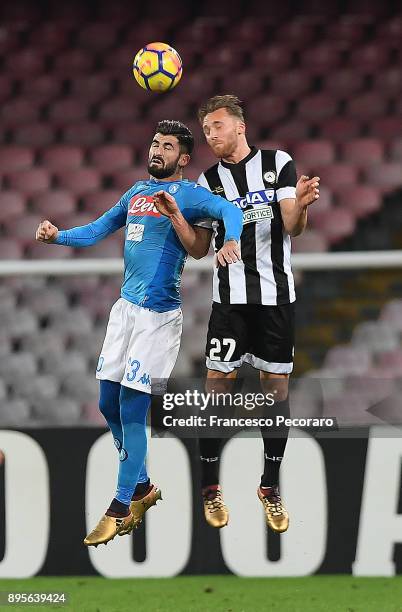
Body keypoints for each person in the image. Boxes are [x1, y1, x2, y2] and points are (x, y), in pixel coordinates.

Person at [35, 119, 243, 546]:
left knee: (132, 406)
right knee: (107, 402)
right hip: (125, 312)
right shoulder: (135, 193)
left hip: (157, 317)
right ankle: (144, 487)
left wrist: (231, 239)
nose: (157, 150)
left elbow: (229, 211)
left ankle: (119, 504)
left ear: (183, 159)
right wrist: (58, 237)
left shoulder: (187, 195)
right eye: (154, 143)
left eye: (167, 146)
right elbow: (96, 228)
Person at [193, 95, 320, 532]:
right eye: (206, 130)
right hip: (228, 301)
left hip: (275, 300)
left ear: (239, 126)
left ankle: (270, 485)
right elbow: (198, 246)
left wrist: (300, 204)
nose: (211, 135)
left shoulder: (277, 162)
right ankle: (210, 486)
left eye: (217, 126)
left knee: (275, 389)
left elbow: (291, 226)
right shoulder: (208, 180)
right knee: (216, 388)